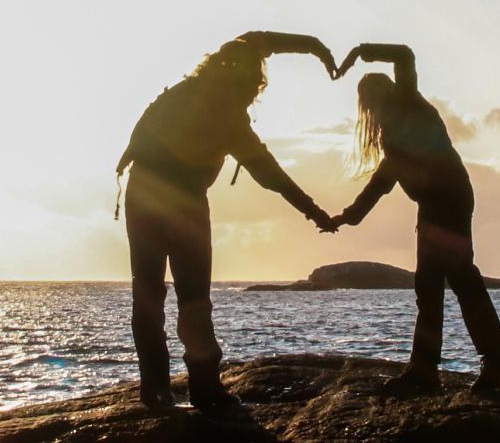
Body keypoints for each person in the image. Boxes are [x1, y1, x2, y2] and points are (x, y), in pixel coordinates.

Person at [115, 31, 340, 411]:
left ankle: (154, 388)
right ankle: (203, 387)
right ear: (241, 81)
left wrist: (315, 48)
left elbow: (258, 39)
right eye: (254, 85)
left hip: (142, 194)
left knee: (148, 293)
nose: (255, 92)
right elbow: (270, 174)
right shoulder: (228, 116)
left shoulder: (186, 90)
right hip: (181, 202)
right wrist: (314, 210)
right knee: (194, 299)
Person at [332, 43, 500, 394]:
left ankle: (435, 369)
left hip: (446, 202)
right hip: (440, 203)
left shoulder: (408, 102)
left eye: (371, 99)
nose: (371, 106)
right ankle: (487, 357)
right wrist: (348, 216)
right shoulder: (393, 134)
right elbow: (382, 181)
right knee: (448, 282)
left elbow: (404, 54)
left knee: (440, 284)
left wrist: (361, 51)